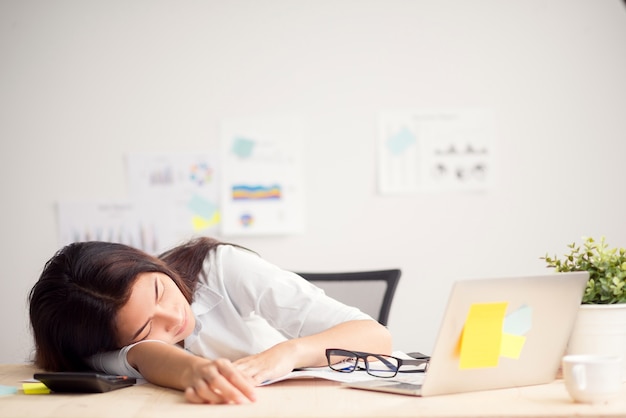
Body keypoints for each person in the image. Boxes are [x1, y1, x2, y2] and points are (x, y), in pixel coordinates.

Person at [28, 237, 392, 404]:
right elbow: (146, 356)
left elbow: (375, 337)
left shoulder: (222, 267)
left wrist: (288, 353)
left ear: (146, 261)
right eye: (144, 327)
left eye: (158, 291)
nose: (174, 316)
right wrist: (194, 372)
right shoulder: (94, 348)